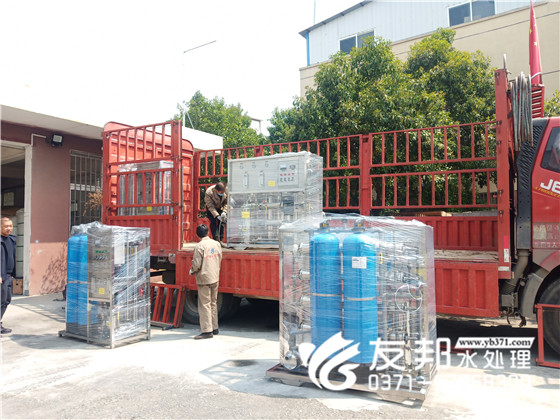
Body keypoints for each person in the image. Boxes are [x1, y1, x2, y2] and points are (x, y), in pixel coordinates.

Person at [189, 224, 223, 339]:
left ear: (197, 235)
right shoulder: (216, 244)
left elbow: (196, 264)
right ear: (208, 232)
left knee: (204, 304)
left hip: (204, 279)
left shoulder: (199, 246)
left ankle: (207, 331)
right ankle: (215, 327)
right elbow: (219, 257)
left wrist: (192, 271)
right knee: (213, 303)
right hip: (215, 276)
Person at [1, 216, 16, 334]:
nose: (9, 228)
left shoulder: (11, 240)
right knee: (1, 301)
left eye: (10, 226)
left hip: (8, 275)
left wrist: (12, 274)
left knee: (6, 300)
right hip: (1, 276)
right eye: (6, 226)